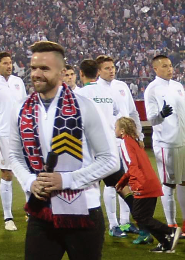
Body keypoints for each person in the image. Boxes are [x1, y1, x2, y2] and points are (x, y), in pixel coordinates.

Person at [9, 40, 119, 260]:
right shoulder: (20, 108)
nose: (36, 74)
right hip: (41, 212)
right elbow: (13, 155)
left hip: (84, 212)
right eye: (33, 68)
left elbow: (110, 160)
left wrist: (66, 180)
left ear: (62, 73)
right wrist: (30, 182)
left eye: (44, 68)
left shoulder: (85, 107)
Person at [143, 53, 185, 239]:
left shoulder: (178, 86)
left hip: (181, 142)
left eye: (171, 65)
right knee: (169, 184)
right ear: (155, 69)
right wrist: (162, 115)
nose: (169, 69)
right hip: (166, 144)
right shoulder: (152, 89)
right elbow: (151, 118)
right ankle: (171, 225)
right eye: (164, 66)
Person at [76, 58, 127, 238]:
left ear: (80, 74)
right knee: (121, 187)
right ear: (97, 73)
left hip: (90, 151)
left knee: (90, 189)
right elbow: (117, 114)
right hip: (110, 148)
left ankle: (98, 226)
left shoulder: (79, 95)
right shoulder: (108, 92)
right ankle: (142, 223)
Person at [113, 117, 178, 253]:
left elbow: (133, 166)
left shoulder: (125, 143)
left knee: (139, 215)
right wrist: (123, 182)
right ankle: (165, 243)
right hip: (151, 182)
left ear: (122, 131)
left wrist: (136, 185)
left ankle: (170, 231)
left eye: (116, 127)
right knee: (144, 216)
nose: (115, 130)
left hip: (143, 184)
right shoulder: (135, 142)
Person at [0, 50, 29, 231]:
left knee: (26, 173)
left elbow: (25, 107)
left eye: (10, 62)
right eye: (5, 63)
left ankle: (30, 212)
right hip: (2, 135)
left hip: (22, 134)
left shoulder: (18, 82)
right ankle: (8, 217)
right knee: (7, 174)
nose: (9, 66)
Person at [96, 55, 141, 237]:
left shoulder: (122, 87)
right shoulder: (94, 90)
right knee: (111, 185)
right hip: (107, 144)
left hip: (127, 143)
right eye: (107, 68)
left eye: (112, 67)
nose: (111, 70)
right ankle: (113, 224)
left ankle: (125, 222)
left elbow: (132, 112)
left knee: (128, 182)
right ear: (98, 71)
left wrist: (139, 135)